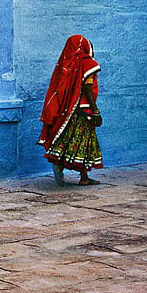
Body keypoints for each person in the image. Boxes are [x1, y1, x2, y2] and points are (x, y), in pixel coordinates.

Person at [38, 34, 103, 186]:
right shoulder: (88, 64)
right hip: (85, 111)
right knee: (85, 142)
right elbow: (87, 87)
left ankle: (80, 175)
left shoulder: (68, 65)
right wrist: (96, 111)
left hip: (71, 112)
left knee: (71, 141)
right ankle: (79, 175)